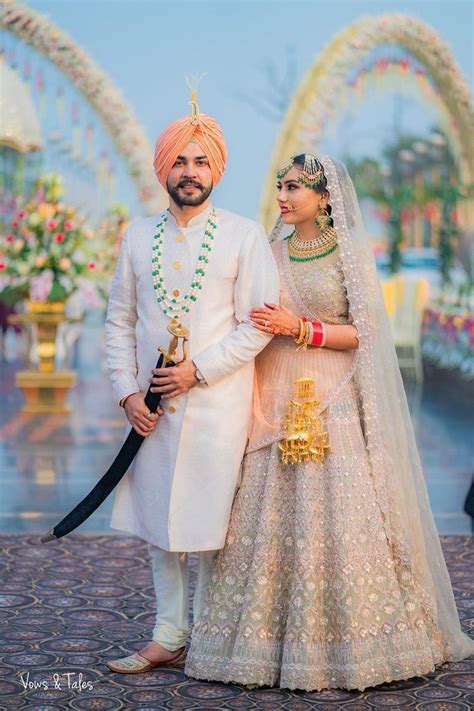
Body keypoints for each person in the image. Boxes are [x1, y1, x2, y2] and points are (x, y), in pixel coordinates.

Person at [185, 154, 474, 691]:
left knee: (336, 516)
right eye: (281, 185)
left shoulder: (349, 257)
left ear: (325, 196)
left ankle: (347, 647)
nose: (284, 195)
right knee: (268, 515)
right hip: (272, 397)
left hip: (330, 396)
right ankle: (257, 646)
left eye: (295, 186)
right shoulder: (267, 253)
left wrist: (301, 328)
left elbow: (363, 335)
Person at [104, 89, 279, 673]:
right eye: (180, 160)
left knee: (210, 526)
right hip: (152, 408)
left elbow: (258, 325)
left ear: (217, 170)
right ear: (164, 168)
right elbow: (119, 321)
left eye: (201, 161)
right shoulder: (135, 235)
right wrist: (128, 393)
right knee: (160, 522)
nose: (189, 172)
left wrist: (197, 371)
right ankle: (168, 632)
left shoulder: (242, 235)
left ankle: (215, 635)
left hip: (218, 402)